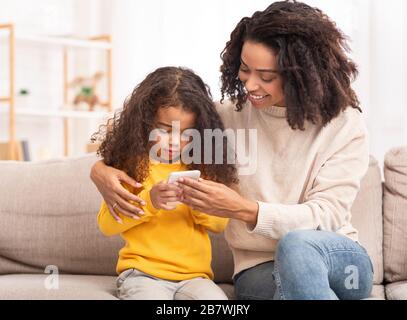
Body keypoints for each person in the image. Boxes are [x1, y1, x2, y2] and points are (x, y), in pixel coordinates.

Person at [90, 1, 374, 300]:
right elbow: (143, 126)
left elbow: (326, 216)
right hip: (259, 268)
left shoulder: (344, 124)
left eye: (266, 77)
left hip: (336, 260)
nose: (250, 85)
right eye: (244, 69)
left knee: (297, 246)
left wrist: (244, 209)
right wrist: (99, 170)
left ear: (302, 75)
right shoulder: (222, 118)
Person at [93, 66, 237, 300]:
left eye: (186, 134)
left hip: (195, 278)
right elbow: (107, 225)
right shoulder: (131, 167)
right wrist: (150, 201)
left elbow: (219, 225)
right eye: (165, 130)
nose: (174, 142)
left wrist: (198, 203)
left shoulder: (202, 169)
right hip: (143, 275)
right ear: (144, 122)